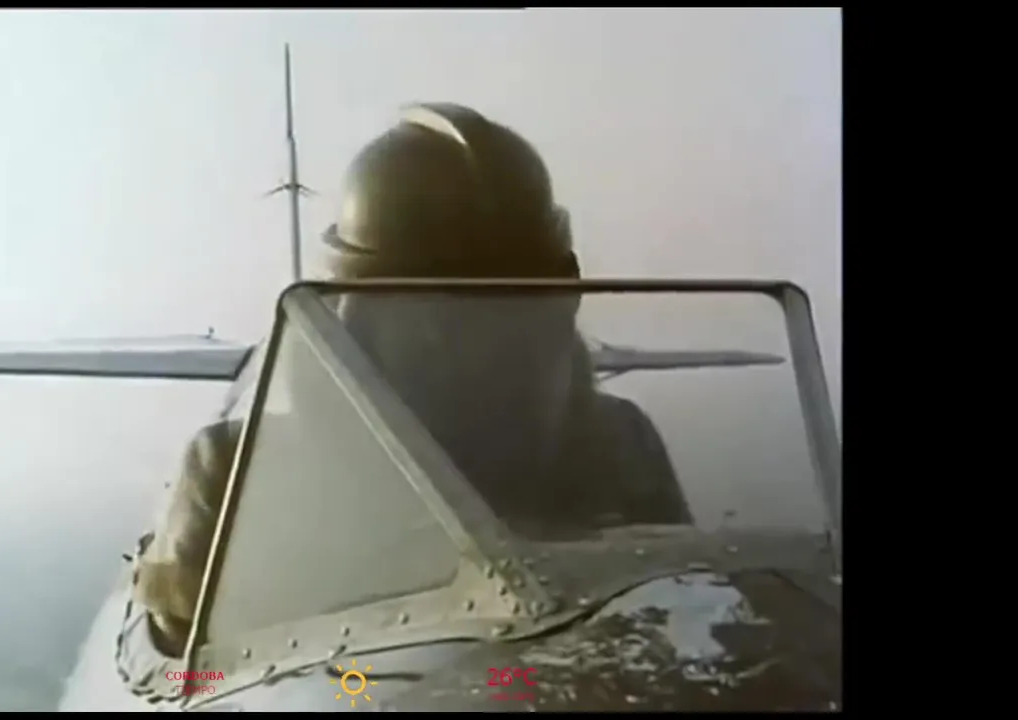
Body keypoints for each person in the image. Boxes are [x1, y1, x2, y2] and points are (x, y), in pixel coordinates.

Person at [131, 103, 689, 658]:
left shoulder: (618, 444)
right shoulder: (236, 472)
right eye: (432, 317)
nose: (473, 348)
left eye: (511, 307)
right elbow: (185, 676)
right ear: (355, 317)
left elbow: (677, 619)